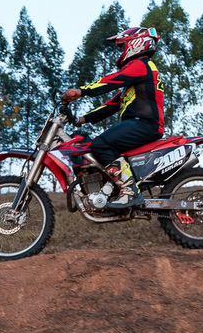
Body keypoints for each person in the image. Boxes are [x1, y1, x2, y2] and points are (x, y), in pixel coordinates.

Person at [62, 27, 164, 210]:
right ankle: (116, 189)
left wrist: (82, 91)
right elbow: (111, 104)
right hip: (140, 124)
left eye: (123, 45)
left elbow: (111, 80)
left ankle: (130, 192)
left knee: (100, 144)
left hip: (144, 123)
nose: (122, 51)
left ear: (136, 43)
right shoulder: (138, 74)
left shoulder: (141, 65)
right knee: (102, 146)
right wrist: (81, 120)